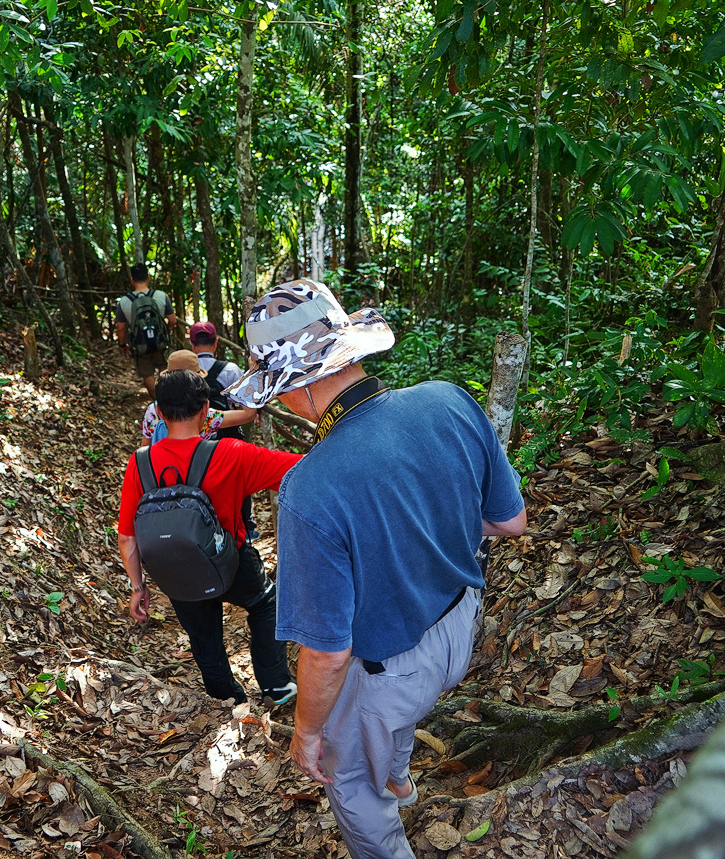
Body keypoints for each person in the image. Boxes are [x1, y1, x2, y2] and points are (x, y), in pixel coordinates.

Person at [225, 279, 527, 859]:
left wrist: (307, 732)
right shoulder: (449, 400)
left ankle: (383, 812)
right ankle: (397, 773)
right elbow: (510, 522)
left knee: (350, 782)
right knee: (391, 718)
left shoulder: (309, 488)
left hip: (391, 670)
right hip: (460, 629)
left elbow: (329, 652)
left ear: (300, 387)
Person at [117, 368, 302, 705]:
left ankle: (226, 699)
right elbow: (301, 470)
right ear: (206, 410)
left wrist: (137, 586)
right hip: (230, 559)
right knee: (264, 603)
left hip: (175, 567)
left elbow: (127, 537)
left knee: (203, 637)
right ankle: (276, 684)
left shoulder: (139, 463)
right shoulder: (232, 454)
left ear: (158, 413)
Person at [188, 321, 260, 538]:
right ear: (216, 343)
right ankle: (245, 524)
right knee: (239, 475)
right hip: (225, 431)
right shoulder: (230, 370)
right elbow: (244, 405)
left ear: (192, 345)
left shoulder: (183, 372)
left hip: (192, 438)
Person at [138, 350, 255, 446]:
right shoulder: (205, 416)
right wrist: (252, 375)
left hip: (162, 471)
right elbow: (248, 414)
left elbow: (145, 448)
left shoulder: (154, 411)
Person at [116, 264, 176, 399]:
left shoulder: (124, 301)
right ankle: (170, 399)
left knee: (147, 374)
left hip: (140, 345)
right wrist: (168, 331)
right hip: (160, 342)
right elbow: (172, 320)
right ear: (148, 278)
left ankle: (158, 402)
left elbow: (121, 328)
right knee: (163, 368)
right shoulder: (161, 296)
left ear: (132, 280)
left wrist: (122, 345)